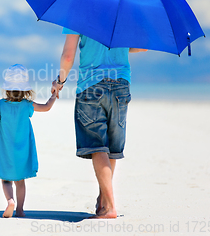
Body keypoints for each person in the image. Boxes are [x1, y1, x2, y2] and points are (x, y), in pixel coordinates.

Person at [51, 28, 147, 219]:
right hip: (121, 84)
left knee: (97, 146)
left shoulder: (79, 12)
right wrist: (116, 47)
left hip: (91, 85)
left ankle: (110, 206)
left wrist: (60, 81)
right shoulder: (123, 13)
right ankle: (104, 199)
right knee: (112, 146)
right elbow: (141, 48)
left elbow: (68, 56)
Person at [0, 64, 57, 218]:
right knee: (20, 181)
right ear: (25, 89)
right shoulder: (27, 105)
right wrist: (54, 94)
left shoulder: (0, 105)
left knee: (6, 180)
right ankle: (20, 210)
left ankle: (10, 201)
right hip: (22, 150)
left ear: (6, 88)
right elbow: (47, 107)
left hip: (5, 150)